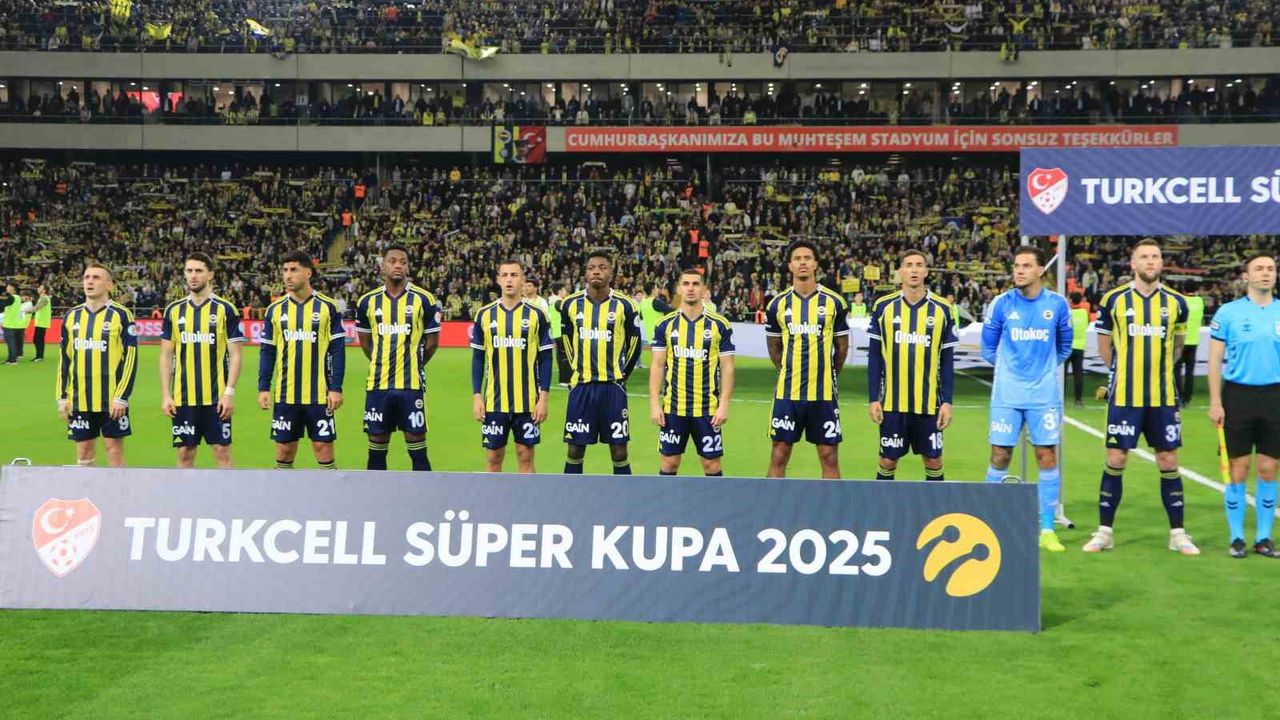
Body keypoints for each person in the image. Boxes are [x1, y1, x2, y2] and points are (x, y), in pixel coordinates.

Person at [1082, 240, 1199, 556]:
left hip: (1162, 397)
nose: (1150, 261)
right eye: (1144, 257)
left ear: (1161, 263)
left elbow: (1177, 346)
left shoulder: (1177, 303)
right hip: (1124, 397)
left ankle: (1178, 534)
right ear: (1133, 263)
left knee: (1168, 460)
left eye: (1155, 256)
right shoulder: (1114, 300)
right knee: (1116, 459)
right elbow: (1104, 346)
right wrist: (1123, 373)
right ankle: (1105, 532)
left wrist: (1159, 372)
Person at [981, 245, 1073, 552]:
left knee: (1046, 456)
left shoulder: (1057, 305)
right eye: (1016, 266)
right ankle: (989, 522)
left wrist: (1040, 370)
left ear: (1040, 270)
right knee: (1000, 455)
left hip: (1043, 395)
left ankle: (1046, 529)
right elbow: (988, 348)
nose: (1019, 271)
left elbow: (1064, 347)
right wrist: (1011, 371)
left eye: (1026, 266)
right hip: (1007, 395)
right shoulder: (1001, 304)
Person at [1207, 252, 1280, 559]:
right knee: (1238, 469)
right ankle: (1237, 537)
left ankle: (1263, 538)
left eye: (1271, 268)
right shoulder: (1228, 313)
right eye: (1259, 268)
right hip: (1237, 397)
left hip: (1274, 397)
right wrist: (1215, 401)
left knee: (1269, 468)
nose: (1266, 273)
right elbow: (1214, 361)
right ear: (1246, 276)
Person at [867, 249, 957, 482]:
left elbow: (947, 361)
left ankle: (935, 506)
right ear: (901, 271)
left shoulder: (942, 309)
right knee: (887, 460)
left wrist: (947, 401)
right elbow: (874, 357)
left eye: (919, 265)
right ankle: (882, 505)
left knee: (933, 460)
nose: (914, 270)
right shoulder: (883, 307)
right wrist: (873, 398)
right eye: (909, 265)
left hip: (929, 403)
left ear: (926, 271)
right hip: (892, 403)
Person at [764, 240, 850, 479]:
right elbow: (774, 349)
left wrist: (828, 374)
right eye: (797, 259)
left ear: (815, 264)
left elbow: (842, 348)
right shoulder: (777, 304)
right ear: (790, 266)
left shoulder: (834, 302)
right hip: (787, 394)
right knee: (779, 453)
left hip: (823, 394)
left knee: (829, 455)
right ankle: (773, 504)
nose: (802, 263)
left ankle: (831, 504)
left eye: (807, 258)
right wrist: (787, 371)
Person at [354, 245, 441, 471]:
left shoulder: (424, 299)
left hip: (411, 386)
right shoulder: (367, 302)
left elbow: (432, 343)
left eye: (403, 262)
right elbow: (365, 343)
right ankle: (377, 494)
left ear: (408, 267)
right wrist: (381, 362)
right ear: (383, 266)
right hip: (377, 385)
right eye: (392, 261)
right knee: (376, 447)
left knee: (417, 447)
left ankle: (423, 493)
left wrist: (413, 363)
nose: (398, 266)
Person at [258, 251, 345, 470]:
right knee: (284, 450)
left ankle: (330, 490)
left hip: (320, 394)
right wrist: (263, 387)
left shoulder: (327, 307)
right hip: (286, 394)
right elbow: (267, 351)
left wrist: (336, 388)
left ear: (308, 273)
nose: (288, 275)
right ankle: (283, 491)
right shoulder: (275, 310)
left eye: (294, 270)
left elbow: (337, 350)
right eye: (285, 270)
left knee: (323, 448)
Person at [560, 251, 643, 475]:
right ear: (585, 273)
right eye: (592, 268)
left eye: (602, 267)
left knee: (619, 450)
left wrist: (622, 377)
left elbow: (634, 345)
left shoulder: (626, 305)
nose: (597, 271)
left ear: (611, 273)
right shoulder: (570, 304)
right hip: (582, 387)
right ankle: (571, 494)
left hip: (612, 388)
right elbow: (566, 340)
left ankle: (624, 495)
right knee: (575, 449)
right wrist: (574, 374)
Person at [159, 252, 244, 469]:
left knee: (222, 451)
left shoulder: (225, 310)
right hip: (183, 398)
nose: (193, 276)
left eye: (199, 271)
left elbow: (236, 354)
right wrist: (166, 395)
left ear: (210, 275)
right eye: (189, 271)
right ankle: (184, 492)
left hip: (217, 398)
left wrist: (229, 393)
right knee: (184, 453)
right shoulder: (174, 310)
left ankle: (228, 492)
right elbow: (166, 355)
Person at [648, 269, 735, 476]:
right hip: (673, 408)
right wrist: (654, 403)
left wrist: (724, 404)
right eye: (686, 283)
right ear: (679, 289)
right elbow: (657, 365)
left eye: (695, 284)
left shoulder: (719, 325)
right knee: (669, 463)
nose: (690, 288)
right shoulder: (665, 324)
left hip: (707, 409)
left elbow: (727, 367)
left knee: (712, 465)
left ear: (703, 290)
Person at [471, 260, 553, 473]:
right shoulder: (484, 315)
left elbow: (546, 358)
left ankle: (527, 496)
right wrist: (477, 396)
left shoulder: (537, 314)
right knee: (493, 457)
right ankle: (493, 496)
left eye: (514, 275)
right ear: (498, 280)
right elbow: (478, 358)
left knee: (525, 455)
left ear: (522, 280)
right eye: (505, 275)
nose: (509, 280)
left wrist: (543, 398)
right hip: (494, 401)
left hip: (527, 401)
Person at [56, 263, 138, 467]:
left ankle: (119, 489)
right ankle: (87, 489)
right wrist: (62, 397)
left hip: (112, 400)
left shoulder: (121, 315)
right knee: (83, 452)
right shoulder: (71, 316)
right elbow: (64, 360)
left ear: (109, 285)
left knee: (114, 451)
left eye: (96, 277)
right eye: (87, 277)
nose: (90, 281)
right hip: (79, 399)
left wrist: (121, 397)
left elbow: (130, 359)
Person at [1177, 289, 1205, 407]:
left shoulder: (1180, 300)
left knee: (1177, 370)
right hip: (1193, 340)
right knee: (1190, 371)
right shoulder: (1199, 301)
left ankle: (1178, 396)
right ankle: (1187, 398)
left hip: (1180, 340)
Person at [547, 282, 572, 387]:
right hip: (562, 332)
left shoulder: (551, 301)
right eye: (564, 290)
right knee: (566, 355)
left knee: (561, 355)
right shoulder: (559, 302)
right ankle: (566, 379)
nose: (566, 292)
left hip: (555, 332)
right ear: (560, 291)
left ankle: (563, 378)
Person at [1068, 292, 1089, 407]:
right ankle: (1078, 400)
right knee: (1078, 375)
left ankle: (1061, 398)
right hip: (1079, 347)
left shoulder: (1067, 313)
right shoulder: (1084, 313)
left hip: (1067, 347)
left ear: (1071, 300)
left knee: (1062, 375)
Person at [1, 284, 24, 364]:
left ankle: (12, 360)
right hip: (16, 324)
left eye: (8, 287)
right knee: (13, 342)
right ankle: (11, 358)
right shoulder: (18, 298)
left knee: (10, 343)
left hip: (9, 323)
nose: (7, 288)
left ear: (12, 288)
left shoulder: (11, 298)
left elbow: (3, 304)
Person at [31, 284, 52, 362]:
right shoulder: (41, 298)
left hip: (42, 322)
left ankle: (39, 356)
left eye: (40, 287)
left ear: (44, 290)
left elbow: (37, 308)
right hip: (40, 322)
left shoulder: (44, 298)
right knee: (37, 339)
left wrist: (26, 311)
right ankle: (39, 356)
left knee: (38, 339)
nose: (38, 288)